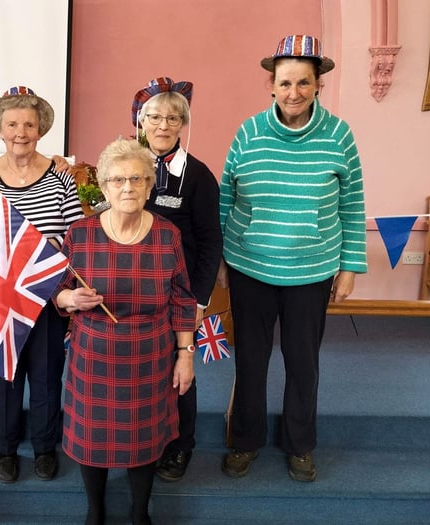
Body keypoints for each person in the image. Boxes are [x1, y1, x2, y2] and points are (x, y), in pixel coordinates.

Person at [218, 35, 367, 482]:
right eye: (285, 82)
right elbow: (226, 197)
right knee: (251, 360)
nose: (294, 92)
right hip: (250, 267)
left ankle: (300, 445)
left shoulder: (339, 135)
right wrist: (222, 259)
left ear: (318, 84)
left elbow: (352, 205)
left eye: (304, 82)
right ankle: (246, 440)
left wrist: (349, 267)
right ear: (271, 85)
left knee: (303, 364)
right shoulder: (248, 132)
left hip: (311, 270)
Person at [54, 138, 197, 525]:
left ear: (150, 186)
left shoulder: (167, 235)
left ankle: (139, 512)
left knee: (144, 441)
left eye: (137, 179)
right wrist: (70, 299)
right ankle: (95, 509)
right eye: (117, 180)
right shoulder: (80, 234)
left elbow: (183, 299)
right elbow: (56, 290)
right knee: (92, 439)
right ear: (103, 186)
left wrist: (185, 355)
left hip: (149, 356)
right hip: (93, 355)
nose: (128, 187)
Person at [0, 86, 82, 483]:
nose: (21, 132)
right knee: (4, 375)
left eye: (29, 124)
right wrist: (12, 261)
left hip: (48, 296)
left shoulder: (60, 177)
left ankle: (45, 449)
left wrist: (41, 258)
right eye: (12, 124)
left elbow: (73, 235)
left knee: (47, 375)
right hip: (1, 298)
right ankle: (6, 451)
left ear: (40, 129)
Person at [132, 77, 222, 481]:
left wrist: (199, 300)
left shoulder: (198, 175)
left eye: (172, 118)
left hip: (179, 294)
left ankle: (181, 445)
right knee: (140, 368)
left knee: (179, 370)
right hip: (133, 291)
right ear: (141, 121)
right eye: (154, 117)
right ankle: (143, 438)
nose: (163, 126)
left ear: (183, 123)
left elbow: (210, 242)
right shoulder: (126, 168)